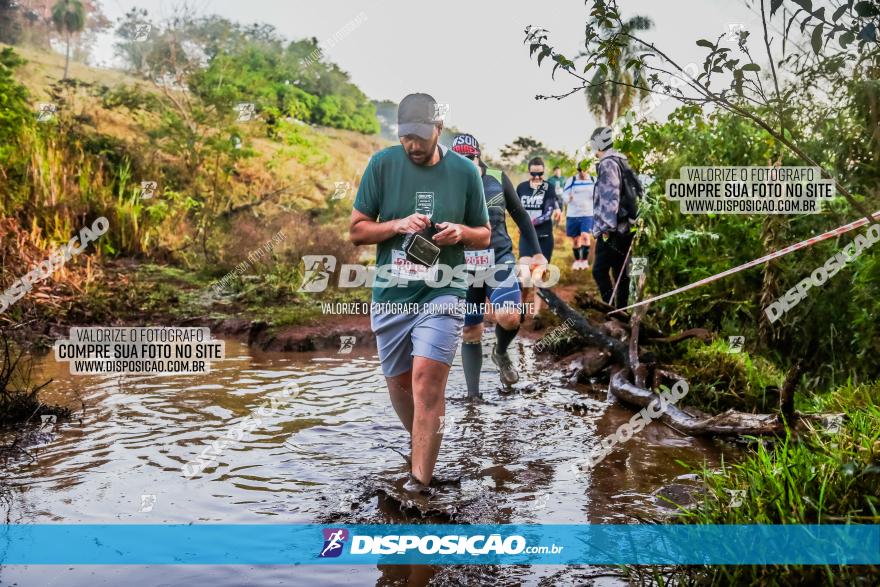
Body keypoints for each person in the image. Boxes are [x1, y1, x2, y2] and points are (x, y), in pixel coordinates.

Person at [349, 93, 490, 489]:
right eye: (406, 136)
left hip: (444, 291)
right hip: (392, 294)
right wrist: (396, 225)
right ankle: (420, 445)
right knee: (400, 385)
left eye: (420, 137)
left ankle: (419, 483)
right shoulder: (382, 164)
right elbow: (357, 230)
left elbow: (484, 234)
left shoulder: (465, 172)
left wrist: (460, 232)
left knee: (427, 381)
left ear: (438, 129)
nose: (412, 145)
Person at [450, 133, 548, 396]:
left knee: (509, 315)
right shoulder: (448, 182)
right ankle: (473, 398)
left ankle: (501, 352)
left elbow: (520, 216)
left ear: (478, 156)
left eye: (468, 158)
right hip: (465, 266)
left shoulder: (496, 177)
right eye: (457, 160)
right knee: (471, 329)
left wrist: (537, 253)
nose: (463, 165)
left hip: (500, 258)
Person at [590, 126, 634, 309]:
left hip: (613, 229)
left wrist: (606, 229)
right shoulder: (622, 160)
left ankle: (609, 310)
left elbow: (610, 198)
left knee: (599, 271)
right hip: (627, 226)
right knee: (620, 272)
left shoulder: (608, 163)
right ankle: (621, 311)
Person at [516, 157, 560, 316]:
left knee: (539, 276)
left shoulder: (549, 187)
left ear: (544, 172)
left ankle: (536, 314)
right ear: (529, 172)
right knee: (525, 275)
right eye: (533, 174)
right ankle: (521, 306)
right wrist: (521, 225)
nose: (536, 178)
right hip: (527, 239)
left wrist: (527, 223)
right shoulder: (521, 188)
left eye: (540, 174)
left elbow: (548, 213)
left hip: (544, 237)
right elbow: (515, 210)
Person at [562, 160, 596, 270]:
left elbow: (599, 195)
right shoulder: (571, 180)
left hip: (588, 213)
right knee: (576, 240)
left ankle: (585, 261)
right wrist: (569, 198)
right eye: (581, 170)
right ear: (578, 170)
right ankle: (577, 261)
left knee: (585, 236)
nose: (583, 173)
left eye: (585, 170)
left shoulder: (593, 180)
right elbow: (564, 196)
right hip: (573, 214)